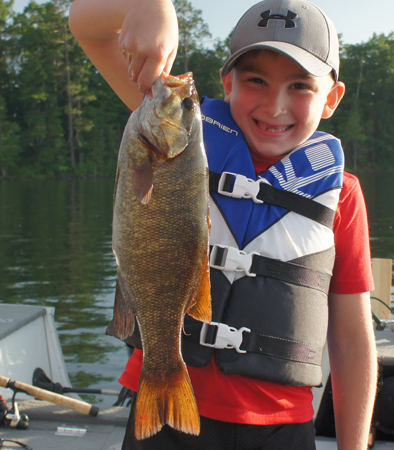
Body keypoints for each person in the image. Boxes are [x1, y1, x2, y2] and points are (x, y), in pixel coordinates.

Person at [69, 0, 377, 449]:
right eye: (256, 81)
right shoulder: (172, 132)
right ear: (227, 83)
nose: (276, 105)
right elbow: (85, 23)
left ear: (331, 98)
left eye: (300, 86)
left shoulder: (343, 195)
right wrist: (148, 5)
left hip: (280, 430)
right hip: (163, 409)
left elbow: (351, 342)